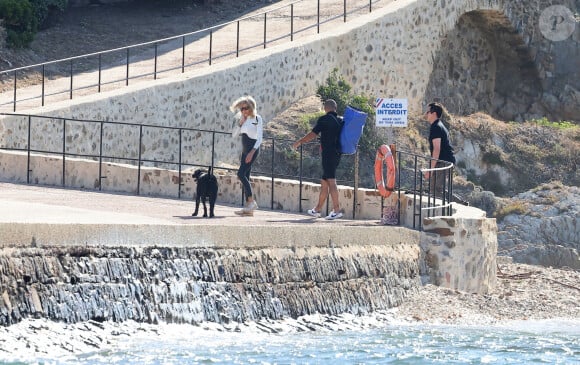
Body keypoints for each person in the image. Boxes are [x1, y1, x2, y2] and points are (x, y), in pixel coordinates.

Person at [292, 99, 343, 220]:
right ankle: (317, 209)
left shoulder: (324, 119)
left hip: (328, 154)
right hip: (337, 154)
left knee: (331, 181)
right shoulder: (340, 120)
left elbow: (313, 134)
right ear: (335, 108)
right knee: (325, 183)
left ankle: (337, 210)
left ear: (325, 108)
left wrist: (300, 142)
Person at [230, 95, 263, 216]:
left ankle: (251, 202)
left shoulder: (257, 118)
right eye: (241, 109)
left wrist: (252, 152)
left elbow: (259, 138)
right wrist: (240, 123)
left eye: (245, 108)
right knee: (246, 177)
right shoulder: (242, 120)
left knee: (240, 174)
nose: (243, 111)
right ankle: (248, 209)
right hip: (244, 151)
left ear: (251, 107)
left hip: (252, 150)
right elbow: (234, 135)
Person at [423, 102, 456, 196]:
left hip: (443, 162)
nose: (426, 114)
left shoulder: (436, 127)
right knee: (434, 189)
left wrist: (431, 170)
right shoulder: (438, 125)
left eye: (428, 112)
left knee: (436, 190)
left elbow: (436, 149)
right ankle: (462, 203)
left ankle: (462, 205)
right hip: (444, 161)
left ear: (434, 113)